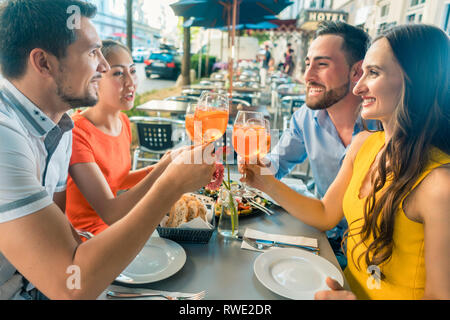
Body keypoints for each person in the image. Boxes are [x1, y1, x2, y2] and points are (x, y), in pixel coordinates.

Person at [0, 0, 215, 300]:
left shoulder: (61, 126)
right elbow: (69, 287)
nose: (102, 66)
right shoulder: (4, 136)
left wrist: (167, 165)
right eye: (92, 52)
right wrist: (172, 184)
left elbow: (66, 239)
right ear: (44, 63)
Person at [242, 24, 450, 299]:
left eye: (373, 73)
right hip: (340, 285)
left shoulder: (440, 184)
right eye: (362, 73)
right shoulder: (364, 143)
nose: (359, 86)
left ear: (416, 80)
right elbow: (326, 214)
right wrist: (263, 181)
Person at [267, 21, 374, 269]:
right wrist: (257, 165)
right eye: (307, 64)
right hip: (319, 238)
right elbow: (278, 162)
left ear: (356, 72)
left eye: (322, 64)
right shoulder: (305, 117)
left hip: (368, 259)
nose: (307, 76)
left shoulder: (384, 127)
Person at [65, 40, 187, 237]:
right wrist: (162, 170)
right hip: (88, 240)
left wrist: (167, 163)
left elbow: (117, 181)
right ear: (93, 79)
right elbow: (111, 213)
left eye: (132, 70)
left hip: (117, 227)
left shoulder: (122, 121)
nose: (131, 82)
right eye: (118, 73)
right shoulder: (76, 134)